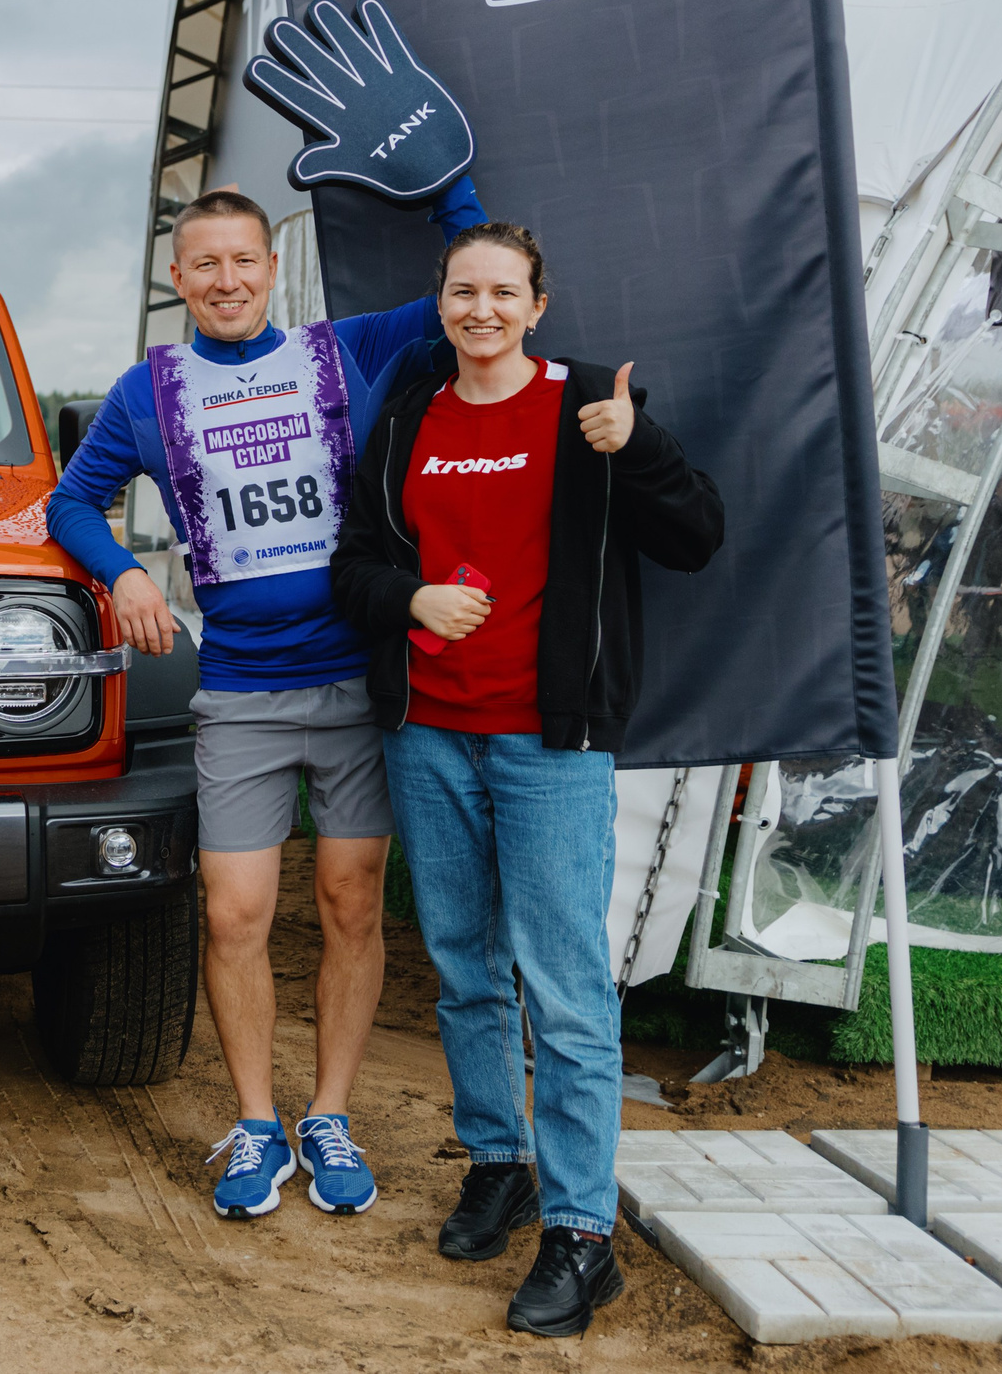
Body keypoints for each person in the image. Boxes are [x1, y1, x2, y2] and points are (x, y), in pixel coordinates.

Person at [49, 177, 485, 1220]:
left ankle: (328, 1113)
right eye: (205, 262)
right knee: (235, 911)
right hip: (239, 685)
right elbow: (70, 497)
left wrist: (452, 189)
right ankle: (254, 1124)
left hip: (351, 676)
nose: (227, 279)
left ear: (271, 266)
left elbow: (472, 295)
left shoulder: (345, 351)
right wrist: (126, 569)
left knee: (348, 902)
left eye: (243, 259)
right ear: (177, 277)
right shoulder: (145, 389)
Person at [329, 222, 721, 1336]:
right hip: (429, 732)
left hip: (550, 743)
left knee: (564, 987)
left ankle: (582, 1232)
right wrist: (408, 599)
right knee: (462, 965)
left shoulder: (589, 403)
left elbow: (699, 534)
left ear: (537, 304)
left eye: (504, 291)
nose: (482, 309)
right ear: (441, 302)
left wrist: (635, 444)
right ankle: (498, 1161)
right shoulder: (409, 414)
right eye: (464, 291)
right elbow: (351, 561)